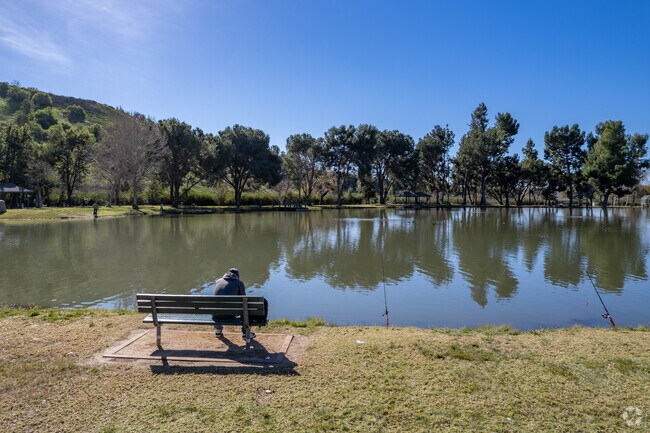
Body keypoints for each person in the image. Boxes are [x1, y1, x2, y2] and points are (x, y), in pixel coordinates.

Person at [212, 268, 257, 340]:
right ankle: (245, 333)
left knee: (218, 305)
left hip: (216, 315)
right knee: (245, 307)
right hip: (230, 314)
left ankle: (218, 330)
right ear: (237, 276)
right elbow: (244, 299)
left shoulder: (218, 281)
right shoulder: (239, 283)